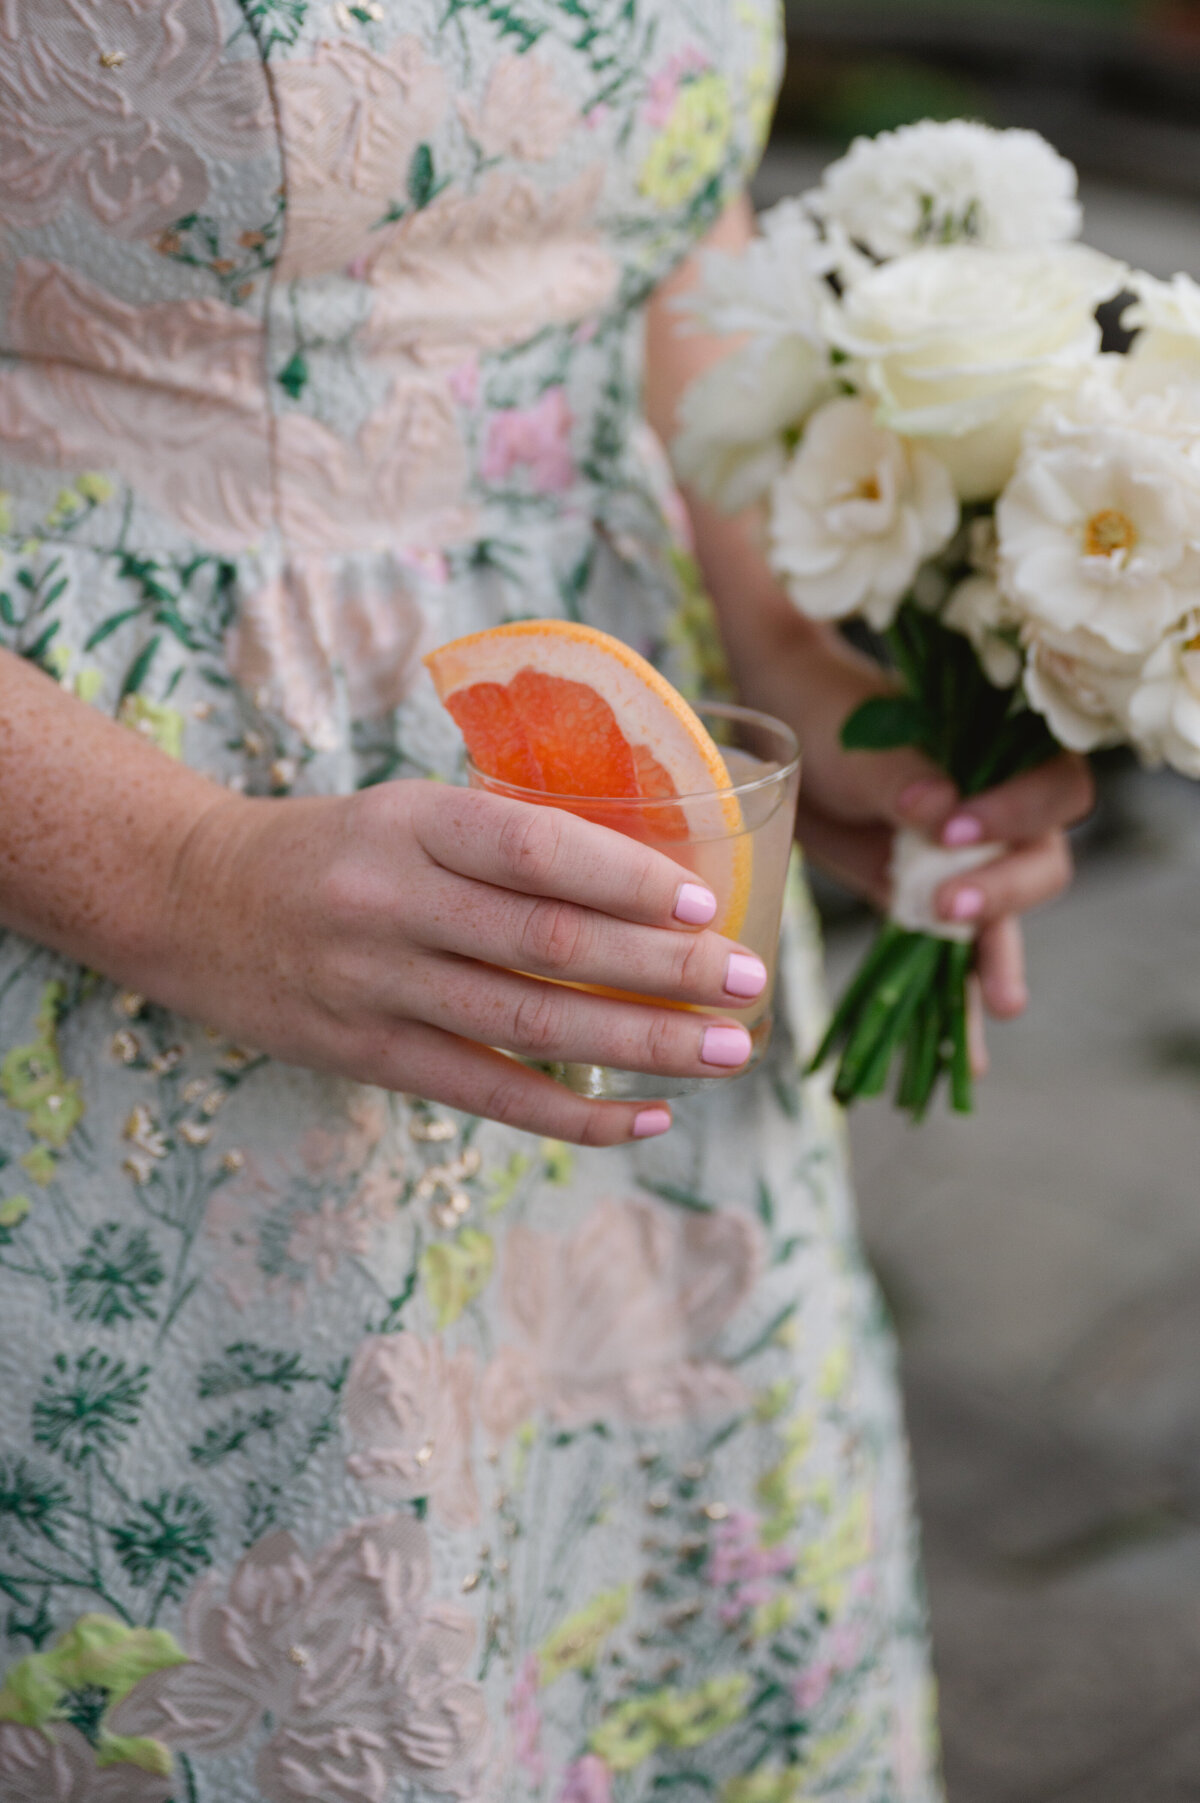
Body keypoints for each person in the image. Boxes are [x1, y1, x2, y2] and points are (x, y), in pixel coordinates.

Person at [0, 5, 1091, 1800]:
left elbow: (654, 219)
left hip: (609, 908)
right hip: (102, 948)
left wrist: (795, 677)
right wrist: (183, 874)